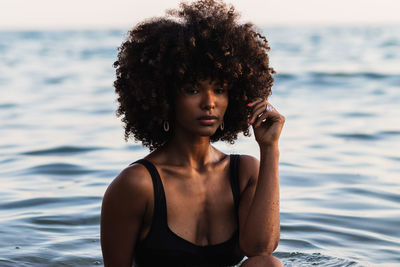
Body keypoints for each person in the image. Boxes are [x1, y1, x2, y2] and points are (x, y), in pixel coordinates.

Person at [100, 0, 285, 266]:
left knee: (269, 265)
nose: (209, 102)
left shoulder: (244, 172)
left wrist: (270, 149)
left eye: (220, 89)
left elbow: (260, 248)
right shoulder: (136, 185)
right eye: (193, 89)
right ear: (165, 96)